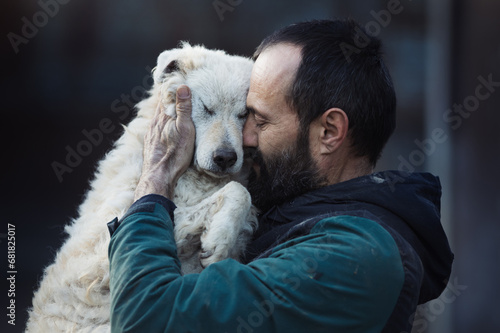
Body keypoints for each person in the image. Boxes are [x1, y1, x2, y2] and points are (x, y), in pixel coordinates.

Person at [107, 19, 453, 332]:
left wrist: (156, 183)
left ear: (329, 132)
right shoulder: (297, 214)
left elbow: (146, 321)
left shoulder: (354, 255)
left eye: (258, 119)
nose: (245, 139)